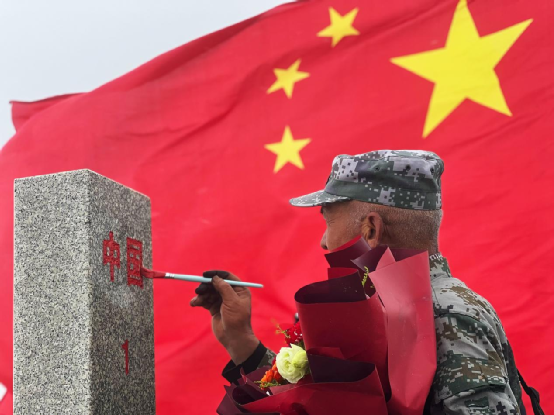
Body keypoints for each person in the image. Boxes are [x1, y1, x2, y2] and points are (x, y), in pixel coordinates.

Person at [190, 150, 527, 414]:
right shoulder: (389, 309)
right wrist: (241, 341)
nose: (324, 242)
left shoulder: (444, 314)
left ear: (370, 229)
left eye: (328, 221)